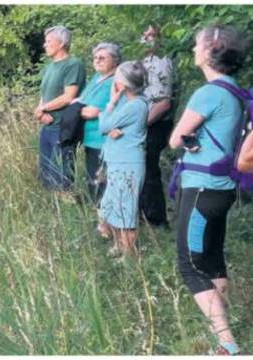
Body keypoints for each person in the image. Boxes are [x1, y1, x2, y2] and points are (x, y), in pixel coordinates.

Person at [168, 26, 247, 356]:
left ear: (212, 50)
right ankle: (220, 330)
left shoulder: (208, 93)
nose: (193, 49)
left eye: (197, 44)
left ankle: (227, 344)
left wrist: (189, 141)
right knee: (212, 260)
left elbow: (175, 139)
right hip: (224, 188)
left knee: (190, 265)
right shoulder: (236, 92)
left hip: (202, 187)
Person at [97, 61, 148, 257]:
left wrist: (110, 103)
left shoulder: (135, 105)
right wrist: (112, 127)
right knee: (113, 205)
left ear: (123, 84)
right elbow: (109, 127)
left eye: (117, 79)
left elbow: (104, 125)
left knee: (126, 207)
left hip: (128, 163)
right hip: (118, 160)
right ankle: (119, 245)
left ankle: (129, 253)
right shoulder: (127, 102)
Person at [35, 26, 86, 192]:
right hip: (47, 126)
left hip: (62, 128)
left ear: (62, 43)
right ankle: (50, 214)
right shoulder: (49, 67)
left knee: (61, 177)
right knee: (46, 175)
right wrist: (40, 112)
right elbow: (44, 94)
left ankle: (65, 210)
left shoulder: (73, 64)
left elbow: (68, 96)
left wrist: (43, 108)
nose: (45, 45)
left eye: (49, 41)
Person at [139, 24, 176, 228]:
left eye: (151, 34)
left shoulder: (161, 62)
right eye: (144, 34)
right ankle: (143, 216)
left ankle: (156, 220)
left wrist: (140, 125)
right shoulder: (145, 60)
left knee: (148, 170)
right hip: (146, 122)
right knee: (142, 169)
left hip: (155, 123)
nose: (146, 38)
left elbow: (163, 103)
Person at [76, 42, 120, 202]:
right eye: (95, 58)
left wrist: (75, 111)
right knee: (93, 180)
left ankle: (106, 220)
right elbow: (81, 100)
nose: (98, 60)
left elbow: (91, 112)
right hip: (90, 138)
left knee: (103, 183)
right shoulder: (97, 78)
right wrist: (79, 108)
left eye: (102, 58)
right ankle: (97, 216)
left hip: (103, 139)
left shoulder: (114, 81)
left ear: (115, 61)